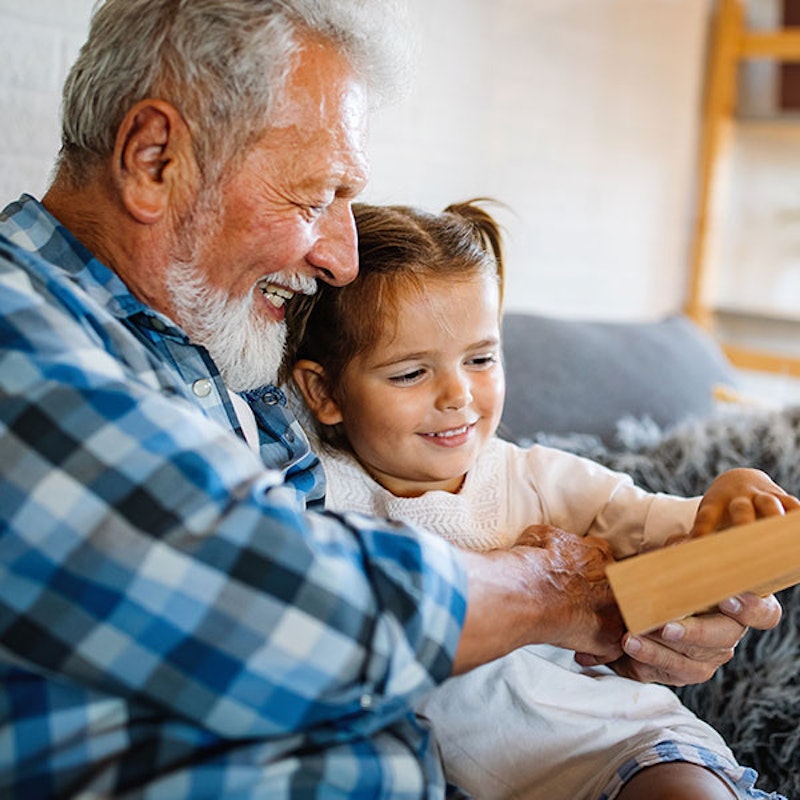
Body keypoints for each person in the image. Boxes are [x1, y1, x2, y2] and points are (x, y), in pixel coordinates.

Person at [0, 1, 788, 796]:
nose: (342, 257)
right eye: (316, 197)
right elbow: (278, 605)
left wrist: (661, 591)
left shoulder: (212, 358)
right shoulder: (19, 328)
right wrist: (555, 591)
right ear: (155, 158)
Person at [289, 199, 799, 800]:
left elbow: (668, 526)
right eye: (410, 374)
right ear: (323, 391)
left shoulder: (539, 478)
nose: (459, 395)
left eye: (481, 359)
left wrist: (730, 503)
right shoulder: (312, 492)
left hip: (615, 750)